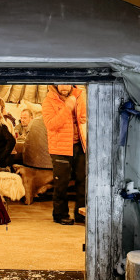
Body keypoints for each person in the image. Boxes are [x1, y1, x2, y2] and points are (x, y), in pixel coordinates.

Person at [42, 84, 86, 225]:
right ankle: (60, 215)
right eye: (61, 83)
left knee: (83, 182)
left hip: (80, 145)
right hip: (60, 148)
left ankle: (81, 215)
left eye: (67, 83)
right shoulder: (49, 101)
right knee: (61, 183)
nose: (64, 86)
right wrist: (67, 108)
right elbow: (51, 125)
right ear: (55, 84)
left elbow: (85, 118)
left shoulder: (80, 96)